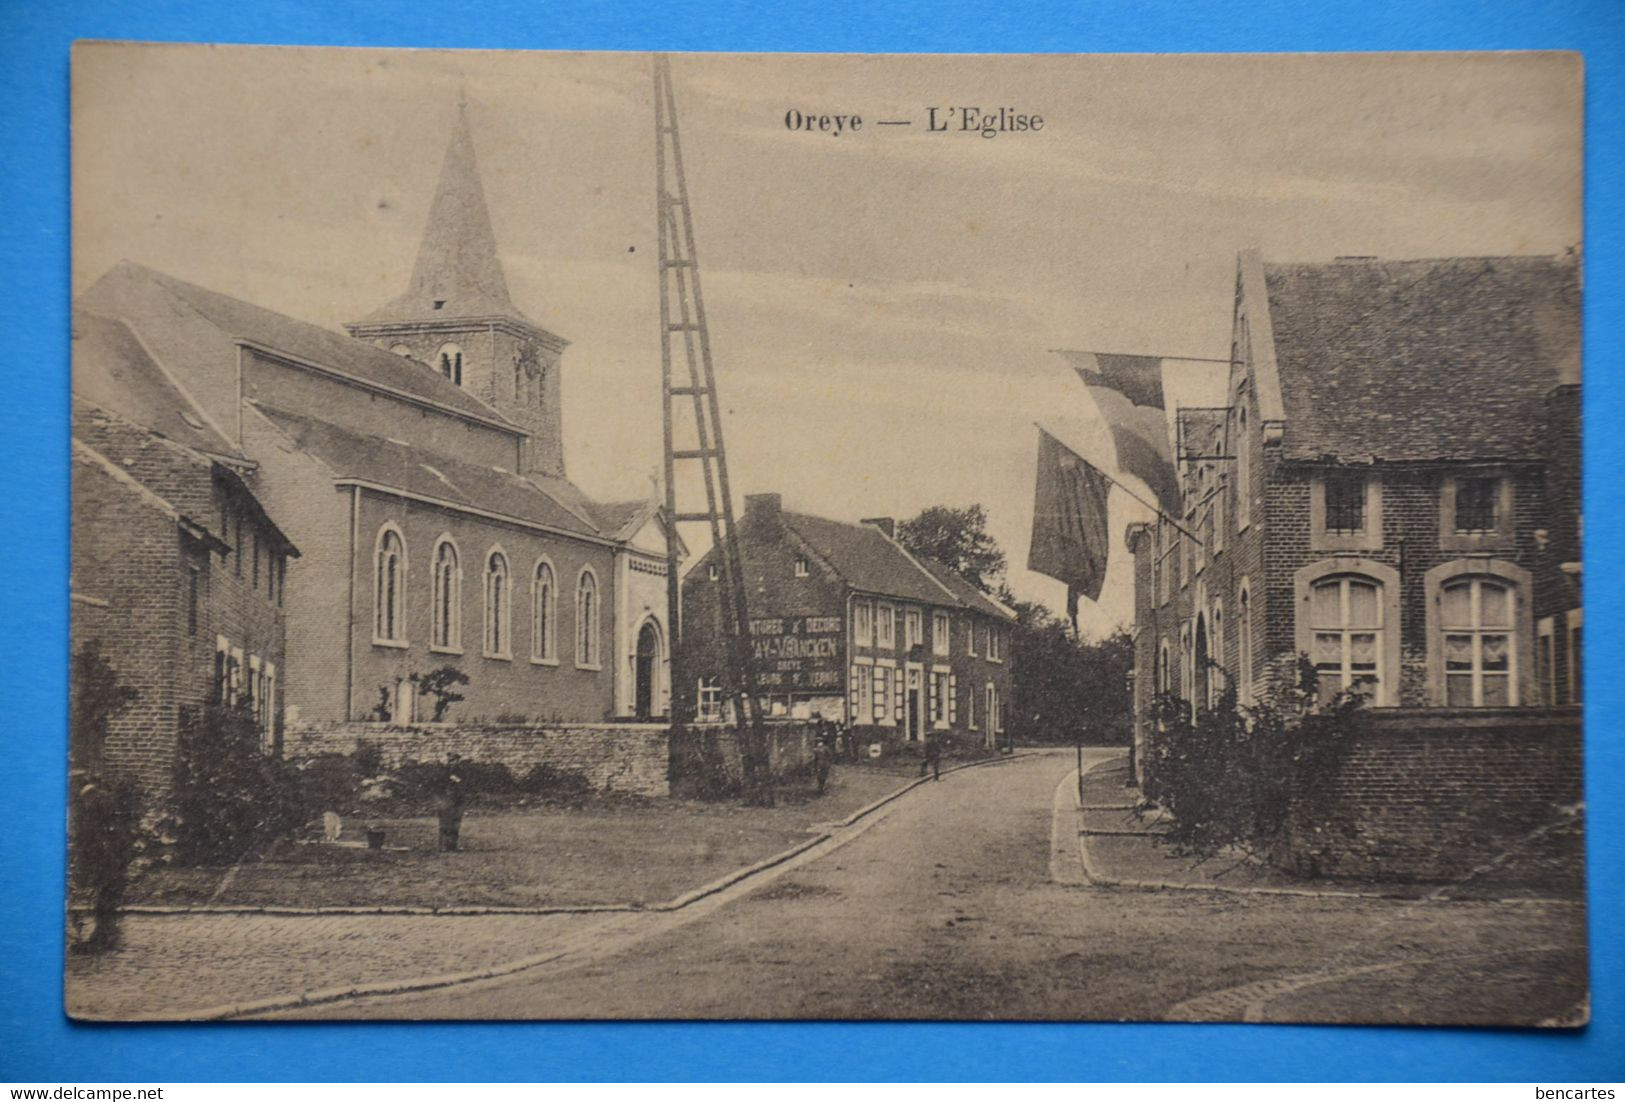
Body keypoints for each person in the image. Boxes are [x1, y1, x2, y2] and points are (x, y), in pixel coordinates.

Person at [436, 754, 467, 852]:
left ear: (458, 760)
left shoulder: (461, 771)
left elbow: (464, 783)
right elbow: (438, 784)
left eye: (454, 760)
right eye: (450, 761)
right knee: (445, 823)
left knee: (456, 823)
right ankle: (443, 846)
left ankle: (453, 846)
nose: (452, 763)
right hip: (446, 800)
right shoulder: (443, 771)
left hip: (458, 800)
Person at [812, 721, 834, 794]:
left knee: (819, 776)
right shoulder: (826, 748)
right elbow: (830, 755)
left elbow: (814, 759)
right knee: (824, 776)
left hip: (819, 764)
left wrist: (814, 766)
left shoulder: (815, 749)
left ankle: (820, 788)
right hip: (825, 764)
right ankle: (821, 788)